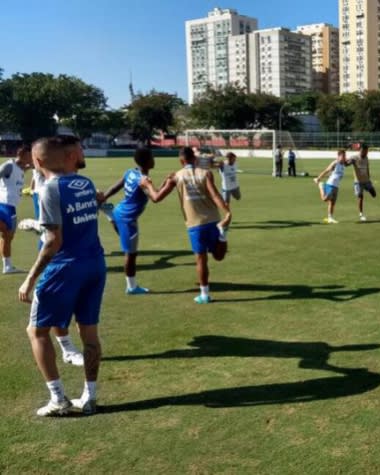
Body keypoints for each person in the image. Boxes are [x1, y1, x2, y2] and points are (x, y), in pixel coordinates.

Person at [19, 136, 106, 416]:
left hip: (64, 267)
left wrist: (30, 278)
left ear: (39, 161)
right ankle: (89, 396)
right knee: (89, 333)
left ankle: (58, 398)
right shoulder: (86, 183)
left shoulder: (48, 190)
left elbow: (53, 241)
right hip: (94, 263)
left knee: (37, 331)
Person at [18, 152, 86, 366]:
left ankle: (67, 348)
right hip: (53, 246)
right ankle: (67, 348)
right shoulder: (45, 184)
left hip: (64, 246)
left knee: (64, 302)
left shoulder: (65, 183)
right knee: (55, 304)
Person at [148, 147, 232, 304]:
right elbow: (215, 195)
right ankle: (222, 233)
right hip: (213, 220)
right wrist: (227, 212)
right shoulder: (206, 173)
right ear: (195, 159)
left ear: (181, 161)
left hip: (195, 224)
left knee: (201, 259)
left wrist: (150, 185)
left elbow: (157, 197)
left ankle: (205, 295)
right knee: (219, 256)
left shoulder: (176, 177)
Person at [97, 148, 172, 294]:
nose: (154, 160)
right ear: (147, 161)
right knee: (131, 254)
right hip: (127, 219)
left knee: (127, 243)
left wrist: (104, 196)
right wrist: (169, 185)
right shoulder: (143, 180)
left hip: (120, 212)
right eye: (152, 157)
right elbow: (155, 198)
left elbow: (115, 187)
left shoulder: (130, 172)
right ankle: (131, 287)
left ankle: (108, 212)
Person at [0, 144, 33, 274]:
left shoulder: (20, 168)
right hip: (4, 205)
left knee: (8, 236)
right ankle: (7, 266)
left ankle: (7, 267)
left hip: (11, 207)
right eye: (30, 156)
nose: (31, 159)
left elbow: (19, 171)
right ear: (23, 155)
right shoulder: (8, 166)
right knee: (7, 234)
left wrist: (29, 167)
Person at [314, 150, 350, 224]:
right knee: (325, 199)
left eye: (345, 156)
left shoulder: (343, 164)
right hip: (330, 184)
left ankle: (330, 218)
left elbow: (349, 161)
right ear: (339, 156)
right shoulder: (335, 163)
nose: (344, 157)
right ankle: (321, 186)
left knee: (332, 203)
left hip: (336, 186)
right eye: (343, 156)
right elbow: (326, 170)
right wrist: (318, 178)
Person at [348, 144, 376, 221]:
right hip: (358, 182)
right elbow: (347, 163)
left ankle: (369, 189)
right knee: (360, 197)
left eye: (367, 151)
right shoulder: (354, 158)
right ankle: (361, 214)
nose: (367, 153)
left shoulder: (366, 158)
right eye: (366, 151)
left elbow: (367, 167)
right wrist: (350, 162)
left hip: (367, 181)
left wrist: (369, 176)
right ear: (361, 150)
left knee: (374, 194)